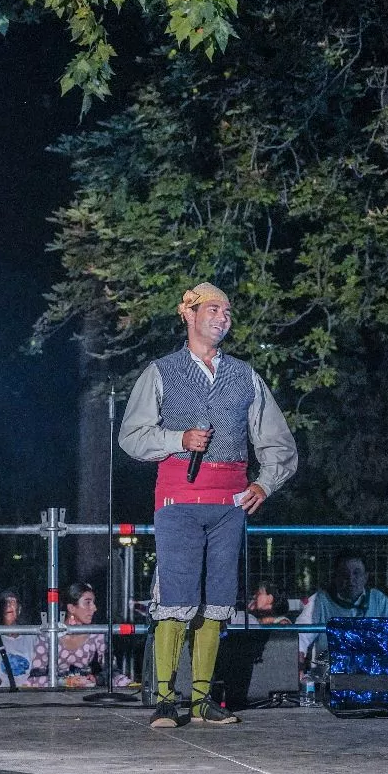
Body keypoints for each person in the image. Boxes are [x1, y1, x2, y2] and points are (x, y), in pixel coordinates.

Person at [119, 282, 298, 727]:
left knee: (217, 601)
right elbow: (132, 437)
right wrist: (176, 439)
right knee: (177, 598)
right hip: (179, 497)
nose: (223, 317)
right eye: (214, 309)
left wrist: (265, 483)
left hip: (230, 502)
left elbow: (277, 442)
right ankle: (164, 698)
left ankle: (201, 701)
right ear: (190, 314)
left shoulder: (244, 375)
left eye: (228, 311)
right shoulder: (161, 371)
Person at [297, 553, 388, 663]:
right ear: (336, 577)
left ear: (365, 577)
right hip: (328, 675)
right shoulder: (319, 601)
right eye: (344, 574)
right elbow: (299, 638)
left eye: (356, 573)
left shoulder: (378, 600)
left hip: (371, 674)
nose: (350, 579)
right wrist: (298, 663)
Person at [28, 583, 130, 688]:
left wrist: (97, 679)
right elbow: (35, 677)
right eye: (88, 603)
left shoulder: (97, 634)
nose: (94, 608)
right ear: (71, 608)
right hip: (52, 696)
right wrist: (64, 682)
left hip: (84, 694)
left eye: (93, 603)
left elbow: (112, 671)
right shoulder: (49, 634)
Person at [0, 591, 37, 688]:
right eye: (4, 602)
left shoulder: (32, 637)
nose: (8, 605)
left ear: (19, 609)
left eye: (12, 601)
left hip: (29, 696)